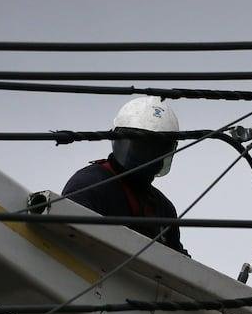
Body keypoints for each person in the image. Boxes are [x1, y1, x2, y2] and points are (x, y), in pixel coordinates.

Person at [61, 96, 187, 255]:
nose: (148, 157)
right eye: (141, 148)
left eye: (157, 150)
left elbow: (180, 265)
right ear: (119, 141)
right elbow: (68, 241)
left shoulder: (163, 208)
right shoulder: (90, 184)